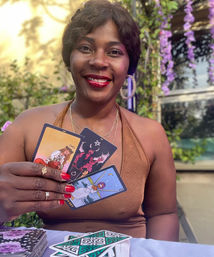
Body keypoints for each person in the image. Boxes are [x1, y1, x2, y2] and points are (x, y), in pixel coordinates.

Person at [0, 0, 179, 240]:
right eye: (85, 48)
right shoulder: (28, 126)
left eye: (114, 52)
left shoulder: (150, 134)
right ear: (69, 57)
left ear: (129, 66)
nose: (98, 61)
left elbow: (164, 213)